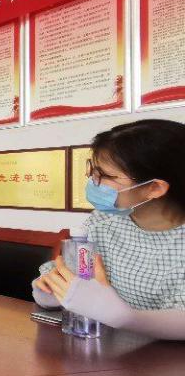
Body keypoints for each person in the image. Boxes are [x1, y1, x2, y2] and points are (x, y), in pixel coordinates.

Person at [34, 119, 185, 337]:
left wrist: (125, 317)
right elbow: (73, 273)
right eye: (93, 171)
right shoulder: (102, 221)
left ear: (154, 188)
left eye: (104, 175)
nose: (93, 181)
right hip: (109, 350)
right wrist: (51, 289)